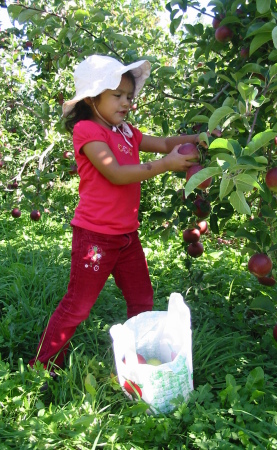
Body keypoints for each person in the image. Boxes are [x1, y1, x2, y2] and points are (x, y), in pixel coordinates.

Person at [29, 54, 200, 372]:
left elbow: (163, 143)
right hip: (95, 237)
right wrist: (164, 166)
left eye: (129, 97)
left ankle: (140, 363)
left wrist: (196, 140)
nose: (126, 103)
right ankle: (43, 367)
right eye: (117, 96)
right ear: (93, 98)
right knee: (78, 306)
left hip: (126, 236)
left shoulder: (125, 131)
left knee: (142, 299)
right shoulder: (87, 131)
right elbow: (116, 173)